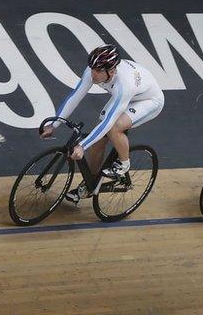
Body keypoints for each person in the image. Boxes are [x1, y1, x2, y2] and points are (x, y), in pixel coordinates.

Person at [41, 44, 164, 203]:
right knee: (97, 141)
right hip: (126, 98)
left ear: (111, 71)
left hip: (148, 101)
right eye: (92, 69)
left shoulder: (124, 84)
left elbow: (108, 122)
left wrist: (81, 146)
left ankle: (124, 163)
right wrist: (54, 124)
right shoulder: (93, 70)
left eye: (98, 71)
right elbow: (75, 97)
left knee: (113, 128)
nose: (93, 74)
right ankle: (90, 184)